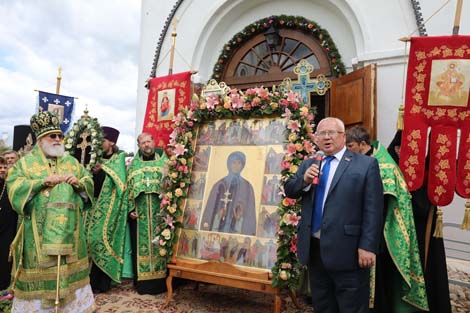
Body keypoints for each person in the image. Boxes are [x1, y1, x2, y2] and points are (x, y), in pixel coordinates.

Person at [284, 117, 383, 313]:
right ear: (317, 139)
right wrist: (304, 180)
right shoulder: (310, 164)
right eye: (322, 134)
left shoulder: (365, 165)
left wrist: (368, 246)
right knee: (323, 305)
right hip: (316, 250)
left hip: (350, 251)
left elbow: (373, 209)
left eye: (332, 133)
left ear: (343, 137)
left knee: (351, 306)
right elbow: (290, 190)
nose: (327, 137)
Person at [6, 111, 95, 312]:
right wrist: (42, 182)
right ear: (40, 140)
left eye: (59, 136)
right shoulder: (25, 164)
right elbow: (14, 189)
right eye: (52, 136)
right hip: (37, 238)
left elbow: (88, 182)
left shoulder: (72, 162)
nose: (57, 139)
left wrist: (79, 184)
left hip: (71, 237)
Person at [346, 125, 428, 312]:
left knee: (379, 278)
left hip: (382, 232)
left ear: (363, 144)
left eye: (350, 145)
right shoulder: (359, 158)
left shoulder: (384, 165)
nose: (347, 150)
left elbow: (381, 203)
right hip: (359, 229)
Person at [388, 130, 451, 313]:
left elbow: (423, 207)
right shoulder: (389, 169)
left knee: (428, 273)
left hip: (421, 232)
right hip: (396, 234)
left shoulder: (424, 174)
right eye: (399, 147)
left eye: (406, 148)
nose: (401, 151)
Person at [125, 132, 168, 294]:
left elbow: (171, 183)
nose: (146, 145)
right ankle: (143, 285)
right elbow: (128, 190)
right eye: (142, 143)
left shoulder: (164, 161)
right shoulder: (134, 165)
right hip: (140, 214)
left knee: (161, 245)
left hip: (160, 213)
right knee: (141, 248)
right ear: (139, 146)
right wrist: (131, 209)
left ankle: (161, 283)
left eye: (148, 141)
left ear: (153, 142)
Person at [87, 126, 128, 293]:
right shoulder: (95, 159)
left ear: (111, 142)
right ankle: (91, 281)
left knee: (101, 239)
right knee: (89, 241)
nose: (99, 144)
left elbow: (120, 183)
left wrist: (102, 170)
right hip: (94, 206)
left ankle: (103, 283)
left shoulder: (119, 158)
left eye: (102, 141)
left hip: (111, 207)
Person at [200, 151, 257, 236]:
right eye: (233, 162)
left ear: (243, 165)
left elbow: (250, 213)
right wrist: (218, 215)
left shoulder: (247, 186)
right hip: (219, 228)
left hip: (237, 229)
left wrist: (240, 215)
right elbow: (210, 208)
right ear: (229, 164)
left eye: (239, 163)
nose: (236, 166)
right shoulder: (219, 184)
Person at [0, 156, 17, 291]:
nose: (3, 170)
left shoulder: (10, 185)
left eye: (5, 167)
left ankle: (3, 287)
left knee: (5, 258)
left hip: (7, 228)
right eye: (0, 167)